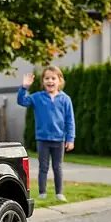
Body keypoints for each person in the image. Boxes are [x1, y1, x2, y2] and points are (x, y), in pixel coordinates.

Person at [17, 66, 75, 202]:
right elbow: (22, 101)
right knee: (43, 167)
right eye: (47, 78)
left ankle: (59, 193)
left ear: (59, 80)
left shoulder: (65, 99)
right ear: (43, 81)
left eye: (53, 78)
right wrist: (24, 88)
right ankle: (42, 193)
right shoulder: (37, 97)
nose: (50, 81)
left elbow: (70, 120)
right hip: (42, 139)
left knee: (58, 167)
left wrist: (70, 138)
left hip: (59, 139)